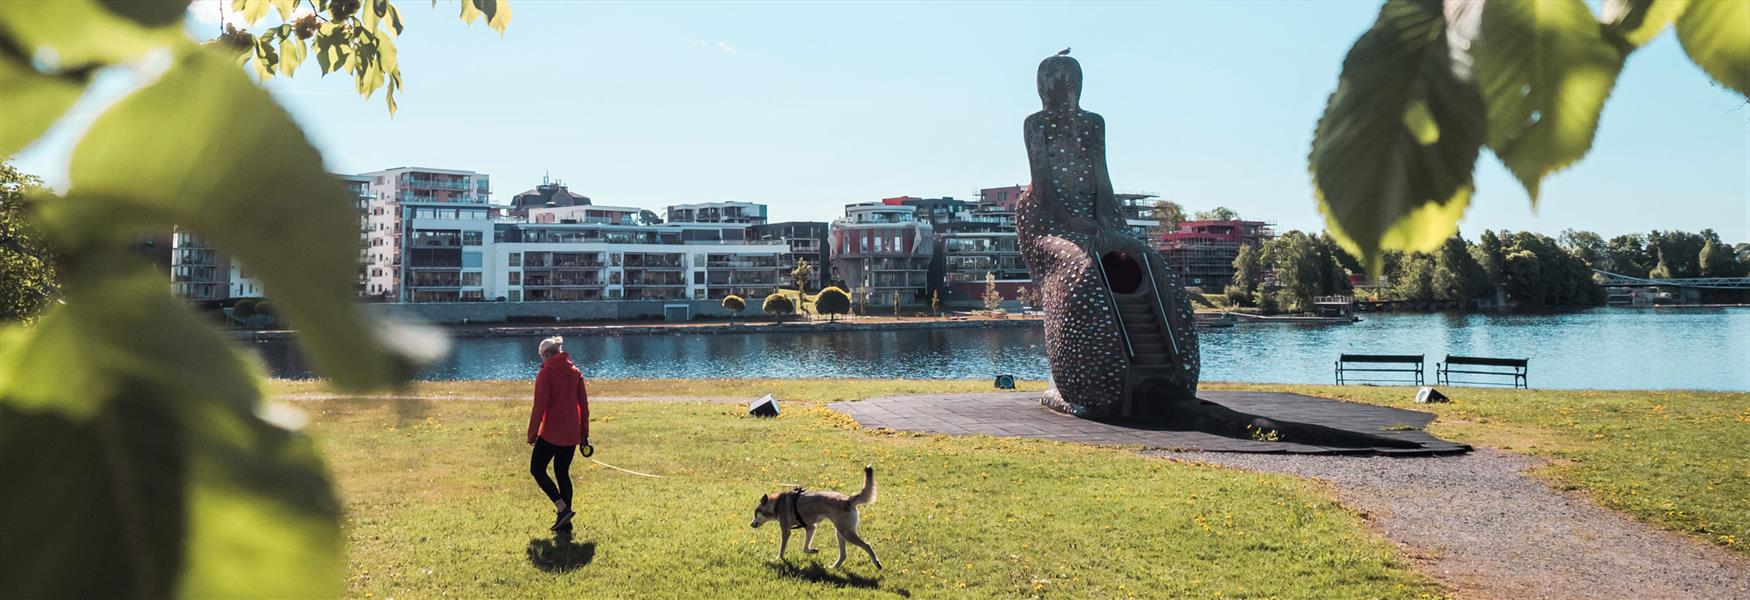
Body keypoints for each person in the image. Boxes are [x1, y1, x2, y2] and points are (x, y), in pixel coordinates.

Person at [527, 336, 589, 530]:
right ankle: (565, 521)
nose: (541, 361)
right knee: (562, 472)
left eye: (541, 357)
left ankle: (562, 508)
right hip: (571, 433)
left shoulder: (546, 374)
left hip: (551, 433)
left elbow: (539, 407)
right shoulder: (575, 371)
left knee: (537, 469)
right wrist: (584, 434)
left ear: (546, 354)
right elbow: (584, 406)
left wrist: (532, 433)